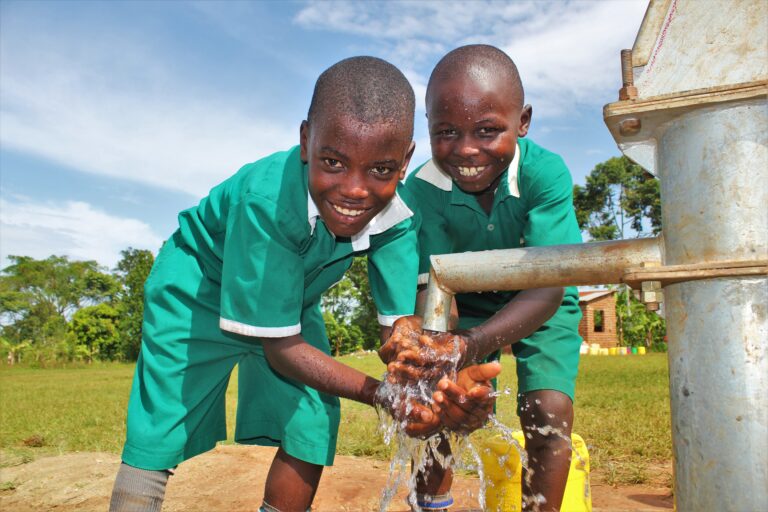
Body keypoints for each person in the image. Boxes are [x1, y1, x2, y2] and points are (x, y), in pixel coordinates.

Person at [109, 56, 496, 512]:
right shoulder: (266, 202)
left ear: (406, 160)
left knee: (310, 422)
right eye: (334, 161)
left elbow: (399, 335)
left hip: (291, 302)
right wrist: (380, 394)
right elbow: (282, 349)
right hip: (196, 291)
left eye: (381, 170)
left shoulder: (396, 219)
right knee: (161, 426)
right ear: (306, 140)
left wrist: (431, 382)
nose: (355, 190)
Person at [382, 44, 583, 511]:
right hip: (460, 303)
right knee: (443, 399)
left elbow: (550, 284)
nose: (467, 149)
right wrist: (443, 355)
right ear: (427, 128)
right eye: (446, 132)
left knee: (548, 413)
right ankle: (429, 503)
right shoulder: (422, 191)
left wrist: (470, 344)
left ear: (524, 121)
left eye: (489, 130)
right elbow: (432, 292)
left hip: (539, 298)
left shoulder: (544, 174)